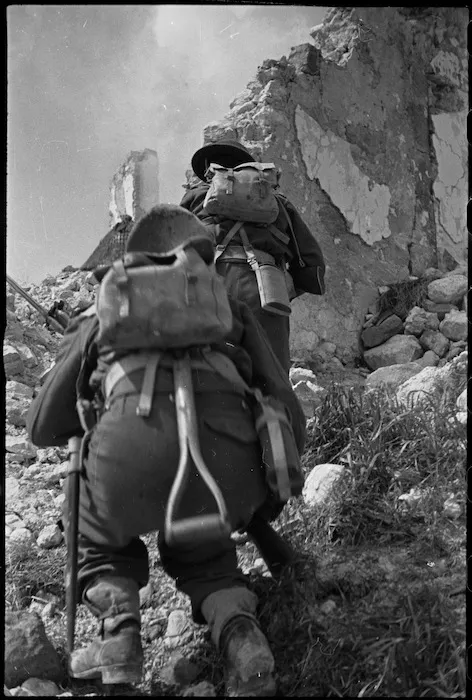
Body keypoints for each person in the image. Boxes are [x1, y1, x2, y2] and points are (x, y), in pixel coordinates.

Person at [26, 204, 306, 698]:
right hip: (229, 466)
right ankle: (241, 635)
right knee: (205, 543)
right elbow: (284, 401)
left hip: (129, 464)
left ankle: (118, 639)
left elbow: (44, 428)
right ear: (202, 254)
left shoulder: (101, 309)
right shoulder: (227, 306)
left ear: (134, 257)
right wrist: (271, 492)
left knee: (95, 527)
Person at [180, 138, 326, 374]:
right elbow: (312, 264)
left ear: (210, 169)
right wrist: (282, 287)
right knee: (271, 381)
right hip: (264, 292)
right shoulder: (278, 204)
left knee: (202, 377)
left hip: (207, 291)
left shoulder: (194, 199)